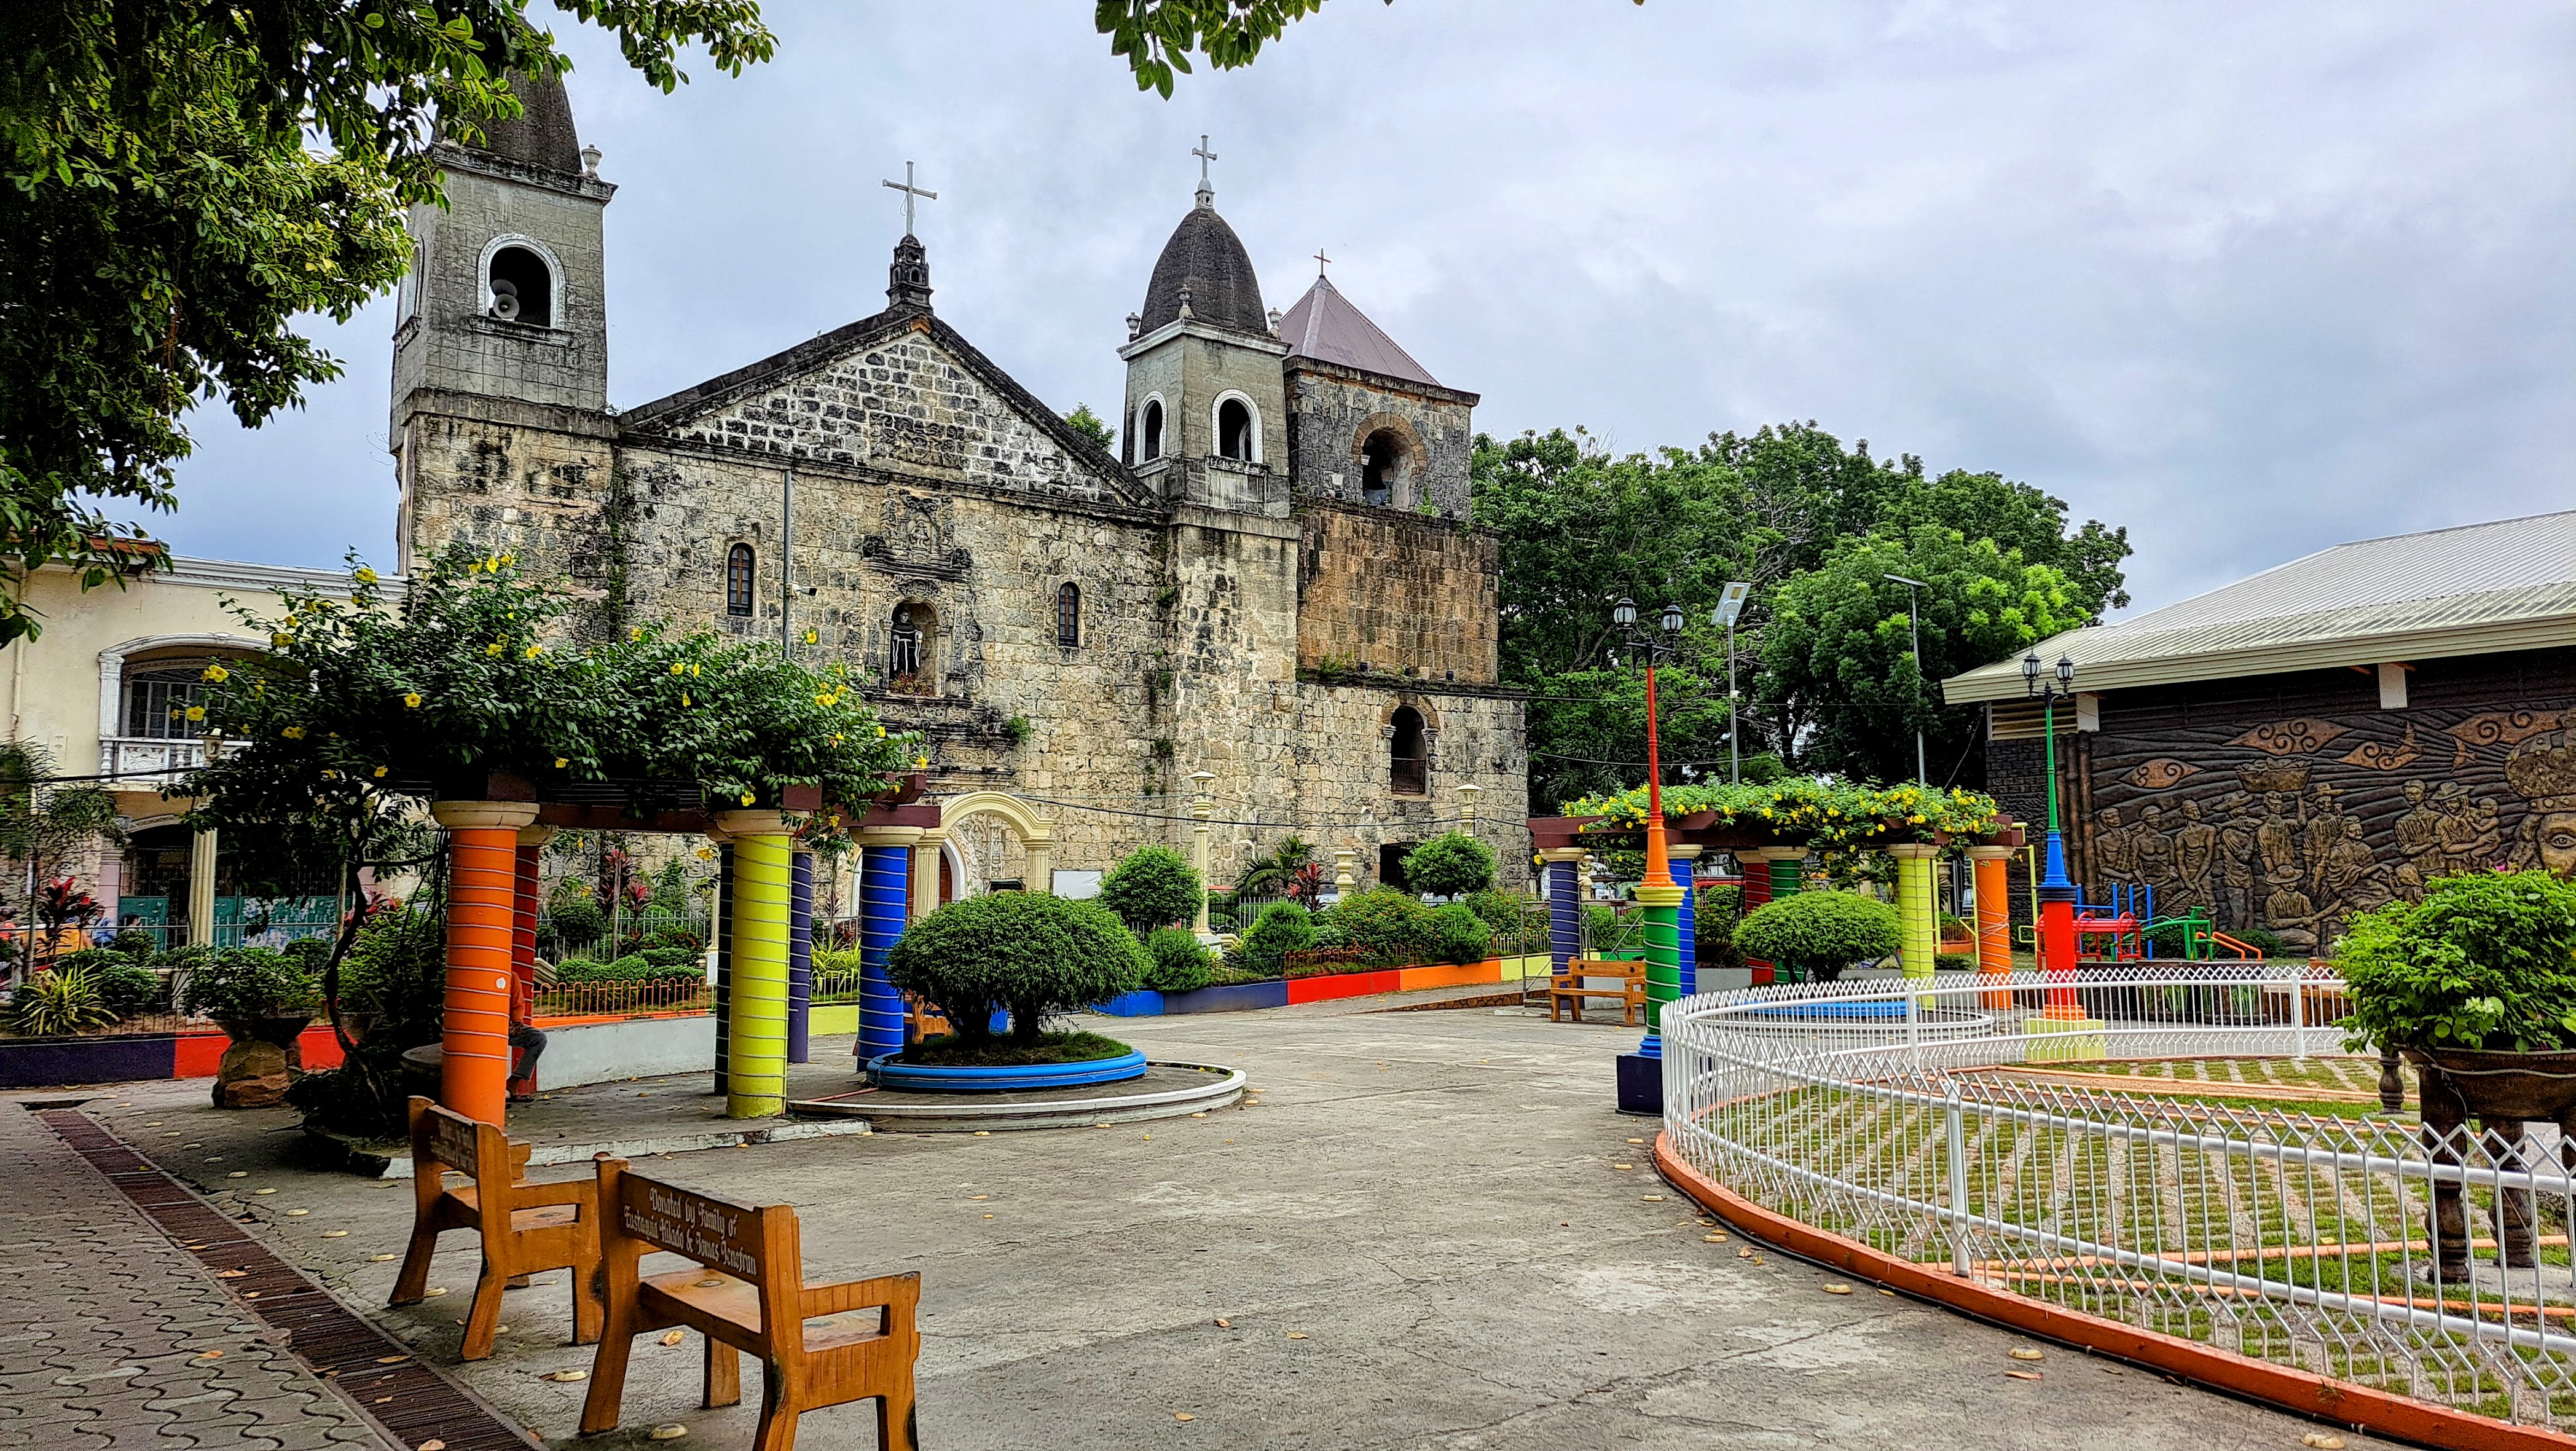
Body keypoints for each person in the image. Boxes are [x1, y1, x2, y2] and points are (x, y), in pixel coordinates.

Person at [508, 971, 546, 1104]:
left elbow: (518, 1004)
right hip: (483, 1027)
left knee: (538, 1038)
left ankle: (514, 1080)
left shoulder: (512, 977)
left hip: (506, 1026)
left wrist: (517, 1022)